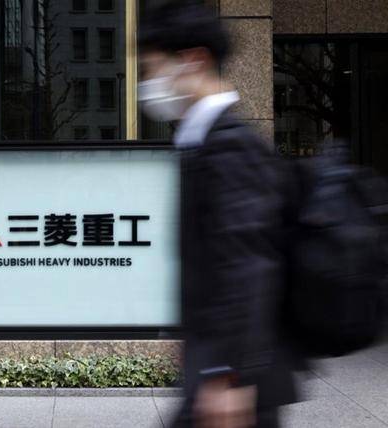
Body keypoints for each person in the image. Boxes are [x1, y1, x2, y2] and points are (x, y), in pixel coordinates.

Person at [138, 1, 304, 427]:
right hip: (218, 368)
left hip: (231, 384)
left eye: (153, 69)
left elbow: (248, 264)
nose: (148, 84)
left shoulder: (231, 147)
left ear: (194, 60)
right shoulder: (204, 141)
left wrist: (230, 374)